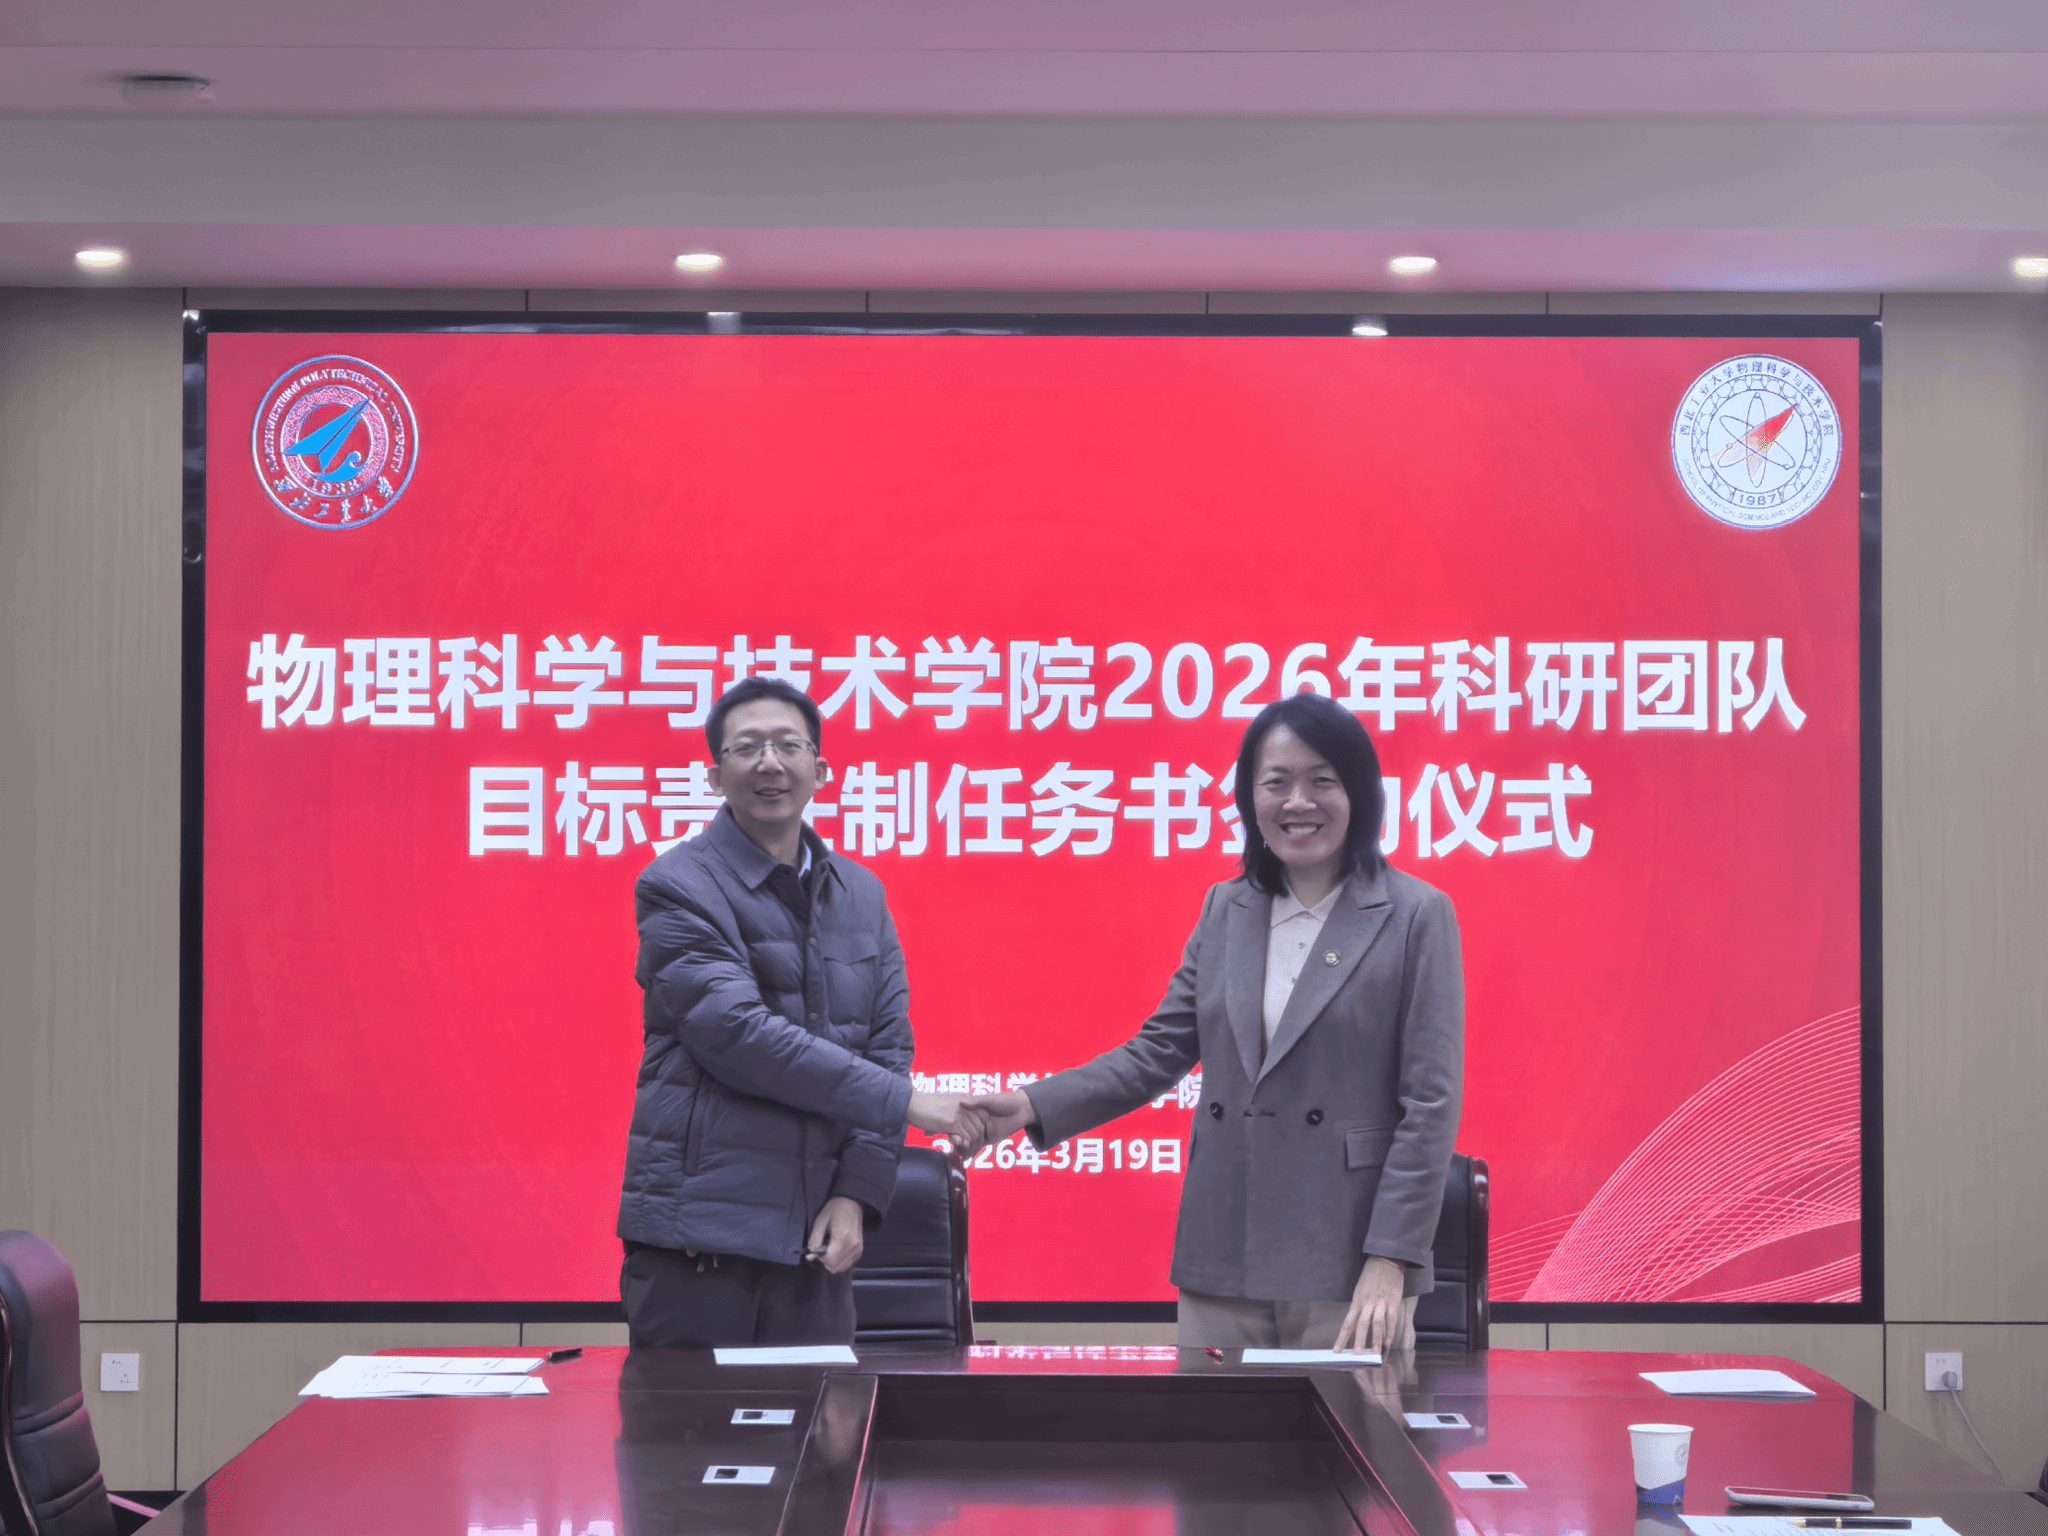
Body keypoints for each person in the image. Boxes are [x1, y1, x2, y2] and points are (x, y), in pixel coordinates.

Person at [967, 694, 1463, 1353]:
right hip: (1224, 1242)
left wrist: (1391, 1256)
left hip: (1349, 1256)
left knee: (1349, 1422)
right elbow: (1158, 1051)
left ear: (1360, 792)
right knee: (1217, 1420)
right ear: (1249, 797)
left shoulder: (1416, 913)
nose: (1298, 802)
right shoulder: (1228, 907)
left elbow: (1429, 1106)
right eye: (1276, 782)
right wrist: (1031, 1106)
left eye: (1322, 780)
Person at [615, 675, 986, 1347]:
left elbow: (887, 1047)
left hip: (817, 1249)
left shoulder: (861, 893)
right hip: (701, 1245)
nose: (770, 763)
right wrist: (909, 1104)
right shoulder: (676, 885)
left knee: (820, 1416)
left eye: (789, 745)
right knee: (684, 1420)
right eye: (747, 747)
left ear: (820, 769)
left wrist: (857, 1194)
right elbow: (737, 1034)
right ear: (713, 776)